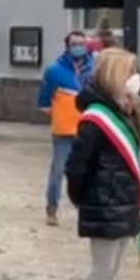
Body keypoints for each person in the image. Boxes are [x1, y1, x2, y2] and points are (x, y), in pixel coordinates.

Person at [63, 48, 140, 280]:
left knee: (114, 271)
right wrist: (84, 199)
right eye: (130, 71)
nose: (135, 78)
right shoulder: (96, 119)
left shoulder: (123, 111)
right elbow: (76, 167)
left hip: (124, 200)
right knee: (100, 269)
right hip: (103, 201)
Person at [37, 31, 95, 226]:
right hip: (63, 130)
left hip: (88, 128)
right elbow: (44, 102)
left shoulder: (93, 69)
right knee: (59, 169)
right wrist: (62, 114)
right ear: (67, 46)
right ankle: (52, 208)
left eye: (81, 43)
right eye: (74, 43)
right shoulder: (54, 71)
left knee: (89, 170)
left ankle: (87, 208)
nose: (78, 47)